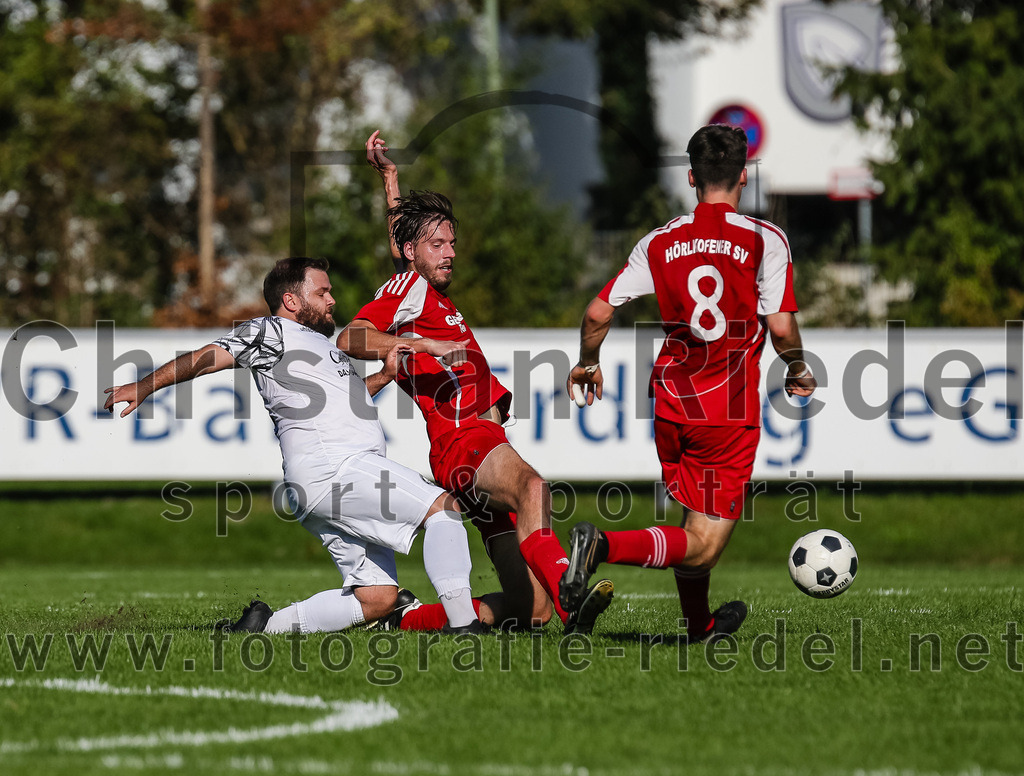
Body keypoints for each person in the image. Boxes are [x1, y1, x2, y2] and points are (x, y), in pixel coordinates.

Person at [104, 257, 486, 635]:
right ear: (291, 300)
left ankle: (263, 628)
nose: (332, 300)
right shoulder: (270, 331)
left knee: (377, 598)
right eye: (322, 293)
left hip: (325, 481)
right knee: (443, 508)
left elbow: (346, 403)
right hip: (337, 469)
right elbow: (205, 359)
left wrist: (385, 375)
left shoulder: (319, 345)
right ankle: (463, 624)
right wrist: (145, 385)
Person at [334, 131, 614, 635]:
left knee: (530, 610)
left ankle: (404, 618)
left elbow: (404, 244)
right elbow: (349, 337)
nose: (450, 254)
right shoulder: (410, 288)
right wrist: (422, 345)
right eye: (437, 245)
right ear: (413, 251)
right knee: (533, 488)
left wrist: (391, 180)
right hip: (466, 440)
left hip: (474, 450)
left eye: (452, 244)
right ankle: (570, 594)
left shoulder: (416, 289)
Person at [560, 124, 818, 642]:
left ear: (691, 178)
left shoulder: (660, 241)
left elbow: (597, 313)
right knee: (702, 545)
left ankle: (698, 625)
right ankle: (601, 546)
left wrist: (587, 362)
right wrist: (797, 367)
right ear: (744, 176)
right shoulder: (764, 239)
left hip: (671, 404)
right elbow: (781, 327)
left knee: (691, 523)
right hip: (726, 410)